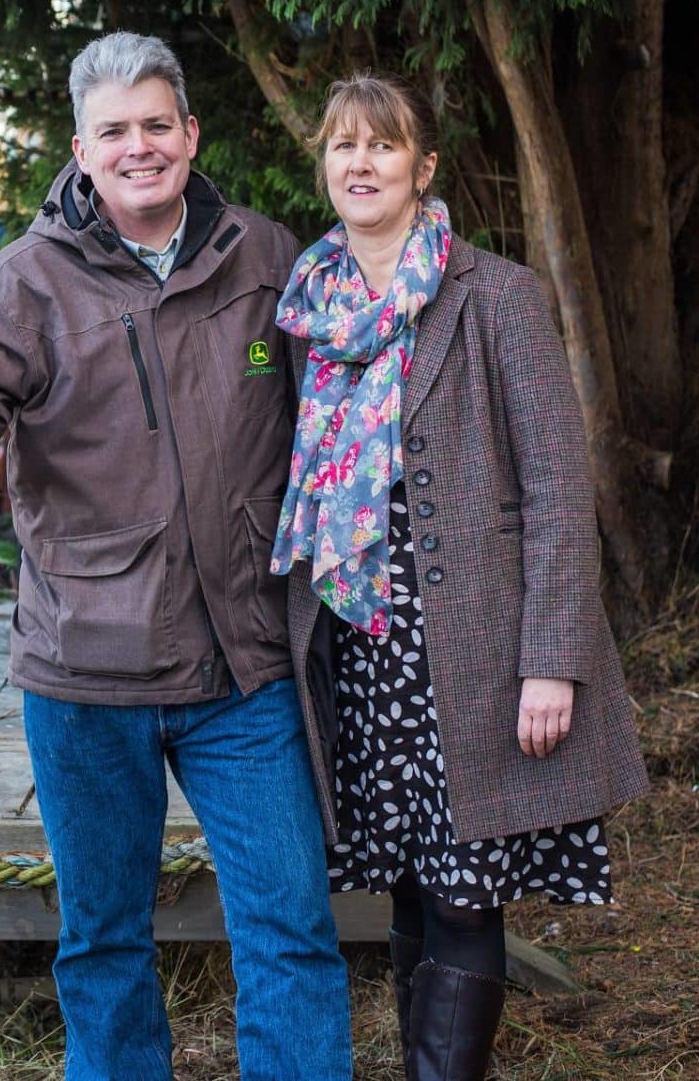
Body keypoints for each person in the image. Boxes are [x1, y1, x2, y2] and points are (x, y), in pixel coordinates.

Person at [0, 32, 351, 1081]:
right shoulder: (18, 288)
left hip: (244, 663)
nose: (136, 146)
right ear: (80, 151)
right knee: (103, 945)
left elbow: (347, 397)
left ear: (188, 133)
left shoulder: (264, 256)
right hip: (87, 673)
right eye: (112, 132)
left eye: (154, 124)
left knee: (289, 929)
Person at [271, 73, 650, 1081]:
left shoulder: (497, 295)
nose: (359, 163)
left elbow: (560, 493)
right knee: (401, 886)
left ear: (421, 167)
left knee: (463, 890)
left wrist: (551, 662)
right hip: (358, 656)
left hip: (473, 660)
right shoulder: (306, 311)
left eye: (381, 146)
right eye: (342, 146)